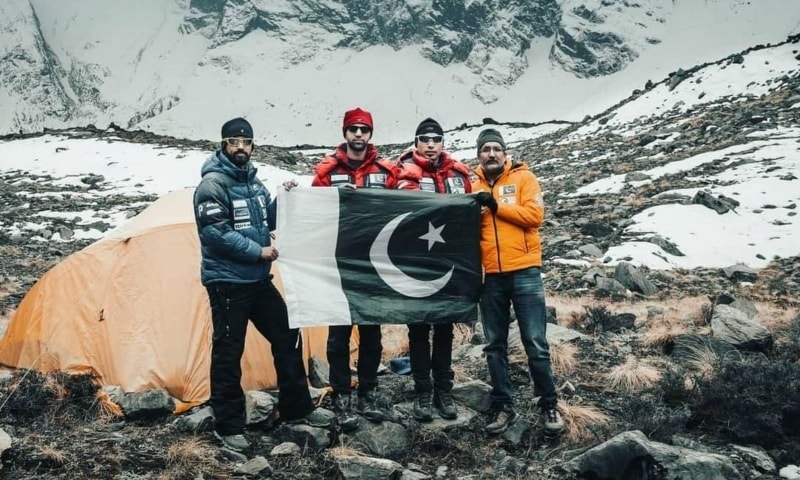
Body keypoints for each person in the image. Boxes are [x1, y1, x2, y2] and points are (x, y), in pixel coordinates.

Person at [193, 117, 330, 452]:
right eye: (234, 142)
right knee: (229, 352)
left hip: (256, 281)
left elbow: (266, 220)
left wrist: (283, 199)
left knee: (288, 335)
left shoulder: (255, 184)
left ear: (253, 146)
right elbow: (216, 234)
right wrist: (260, 252)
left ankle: (297, 408)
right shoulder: (212, 185)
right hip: (227, 283)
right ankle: (228, 426)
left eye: (246, 142)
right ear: (223, 145)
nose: (241, 148)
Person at [471, 128, 565, 436]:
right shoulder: (471, 185)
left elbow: (534, 215)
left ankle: (549, 404)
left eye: (497, 148)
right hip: (491, 276)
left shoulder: (525, 178)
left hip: (524, 271)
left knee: (535, 342)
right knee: (494, 344)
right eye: (486, 149)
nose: (492, 154)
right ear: (479, 154)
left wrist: (497, 205)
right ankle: (503, 406)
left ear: (505, 152)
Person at [312, 107, 399, 431]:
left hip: (374, 263)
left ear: (370, 134)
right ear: (345, 133)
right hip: (338, 261)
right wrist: (331, 197)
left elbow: (403, 206)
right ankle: (340, 393)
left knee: (372, 334)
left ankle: (367, 392)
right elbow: (310, 208)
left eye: (364, 129)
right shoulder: (326, 170)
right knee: (338, 335)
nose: (359, 134)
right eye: (354, 129)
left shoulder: (386, 171)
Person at [396, 117, 471, 422]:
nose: (430, 144)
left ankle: (444, 389)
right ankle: (423, 391)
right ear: (416, 143)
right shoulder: (401, 172)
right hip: (416, 265)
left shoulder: (459, 174)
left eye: (436, 139)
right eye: (424, 139)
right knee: (417, 329)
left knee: (444, 329)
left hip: (449, 263)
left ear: (443, 143)